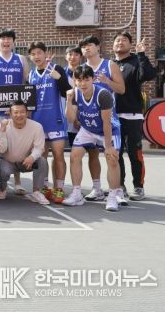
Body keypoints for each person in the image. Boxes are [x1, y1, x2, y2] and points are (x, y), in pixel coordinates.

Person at [62, 66, 123, 212]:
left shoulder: (103, 95)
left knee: (112, 158)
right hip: (88, 129)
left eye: (86, 79)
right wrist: (69, 100)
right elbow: (70, 118)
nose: (82, 83)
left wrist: (108, 146)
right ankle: (77, 194)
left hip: (108, 130)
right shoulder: (75, 94)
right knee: (74, 156)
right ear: (75, 81)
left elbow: (106, 123)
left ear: (93, 79)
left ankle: (113, 196)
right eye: (79, 80)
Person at [79, 35, 125, 202]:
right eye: (83, 46)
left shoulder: (110, 65)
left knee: (112, 156)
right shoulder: (82, 68)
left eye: (90, 45)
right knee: (92, 155)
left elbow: (121, 89)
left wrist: (107, 81)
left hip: (108, 119)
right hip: (89, 120)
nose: (86, 48)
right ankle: (97, 188)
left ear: (98, 47)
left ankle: (117, 191)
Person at [0, 28, 28, 194]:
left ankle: (17, 182)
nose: (6, 41)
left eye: (9, 39)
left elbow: (25, 82)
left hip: (14, 110)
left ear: (13, 42)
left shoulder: (21, 59)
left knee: (16, 146)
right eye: (3, 39)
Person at [112, 32, 156, 201]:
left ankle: (138, 186)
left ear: (130, 45)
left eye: (124, 40)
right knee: (116, 154)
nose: (120, 42)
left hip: (132, 115)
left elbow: (149, 75)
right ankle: (119, 186)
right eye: (117, 40)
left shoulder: (136, 61)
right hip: (113, 116)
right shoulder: (109, 65)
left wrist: (142, 54)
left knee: (134, 153)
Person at [27, 41, 70, 203]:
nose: (36, 56)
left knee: (58, 155)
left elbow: (67, 92)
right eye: (33, 54)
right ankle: (44, 187)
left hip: (55, 119)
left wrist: (59, 79)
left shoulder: (56, 68)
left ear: (45, 53)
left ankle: (59, 188)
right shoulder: (31, 75)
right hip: (38, 122)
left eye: (39, 53)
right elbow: (27, 101)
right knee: (41, 157)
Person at [0, 101, 50, 205]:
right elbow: (1, 150)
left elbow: (39, 148)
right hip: (7, 162)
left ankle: (37, 192)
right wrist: (2, 131)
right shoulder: (2, 126)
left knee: (42, 161)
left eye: (22, 112)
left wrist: (32, 157)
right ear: (10, 114)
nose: (19, 115)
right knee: (2, 169)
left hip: (26, 162)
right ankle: (2, 188)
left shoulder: (37, 126)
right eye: (15, 112)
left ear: (27, 113)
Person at [64, 46, 84, 146]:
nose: (73, 57)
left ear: (81, 57)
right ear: (66, 57)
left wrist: (78, 119)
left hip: (84, 116)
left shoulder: (85, 73)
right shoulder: (61, 73)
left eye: (76, 54)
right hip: (66, 116)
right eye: (70, 54)